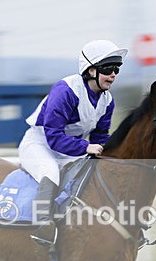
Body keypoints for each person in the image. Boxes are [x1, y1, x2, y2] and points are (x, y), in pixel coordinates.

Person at [18, 39, 128, 247]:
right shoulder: (65, 91)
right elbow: (53, 137)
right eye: (108, 68)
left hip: (70, 148)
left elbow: (100, 137)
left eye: (116, 68)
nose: (113, 74)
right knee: (50, 172)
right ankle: (44, 225)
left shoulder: (107, 100)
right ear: (90, 70)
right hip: (40, 144)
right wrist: (86, 148)